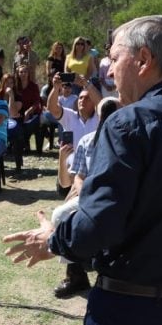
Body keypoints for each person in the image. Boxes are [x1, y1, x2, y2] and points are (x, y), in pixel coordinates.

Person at [3, 15, 162, 325]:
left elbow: (97, 224)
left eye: (115, 59)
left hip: (137, 321)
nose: (111, 72)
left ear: (144, 60)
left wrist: (55, 236)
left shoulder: (127, 124)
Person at [52, 97, 121, 298]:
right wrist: (86, 194)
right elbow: (78, 176)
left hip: (118, 198)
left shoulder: (128, 139)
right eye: (104, 114)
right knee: (59, 215)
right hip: (89, 197)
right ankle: (76, 275)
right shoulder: (88, 141)